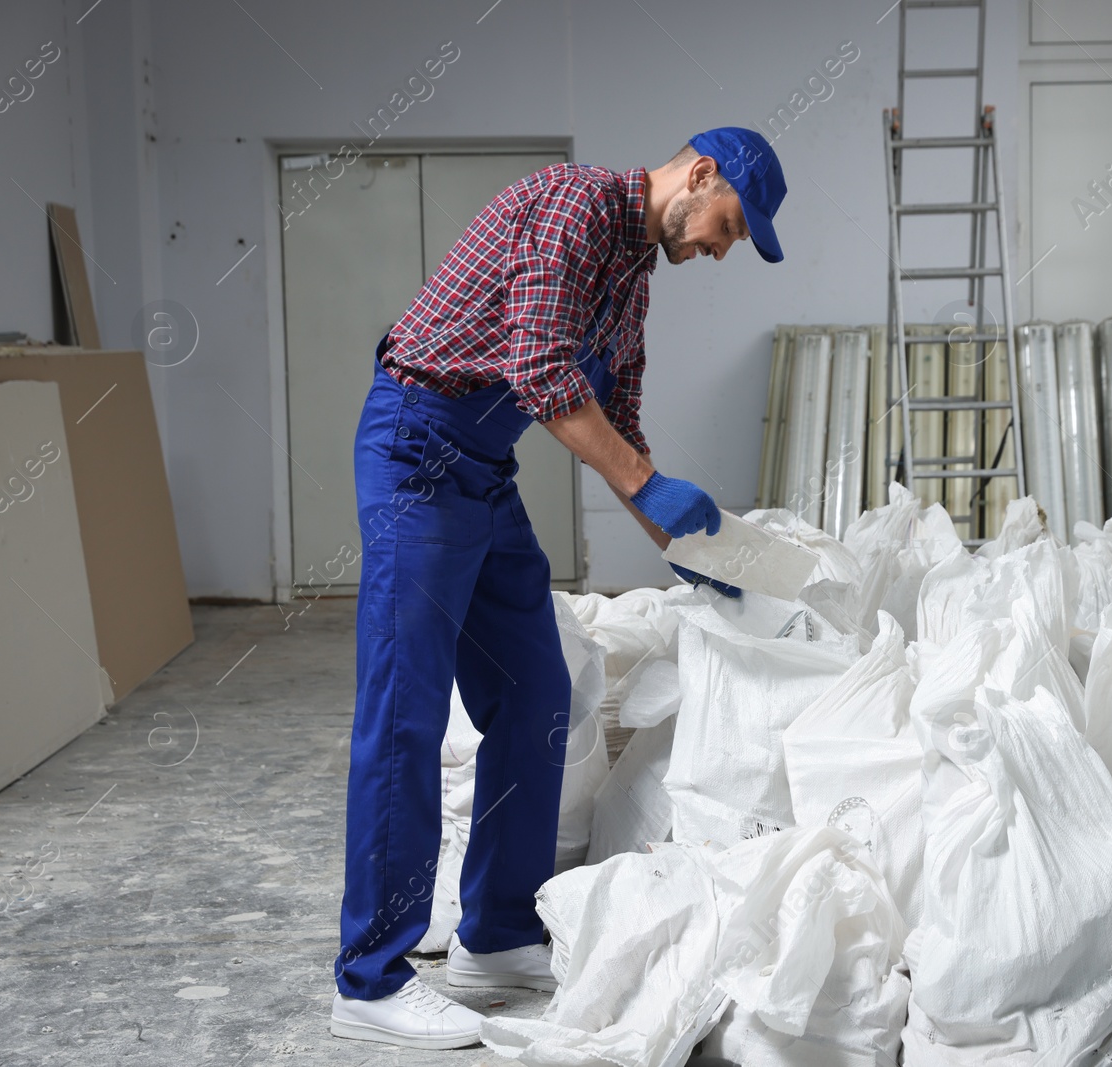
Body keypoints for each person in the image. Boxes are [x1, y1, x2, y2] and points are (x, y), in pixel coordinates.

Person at [328, 127, 787, 1049]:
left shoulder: (632, 278)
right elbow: (540, 370)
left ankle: (497, 936)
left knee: (540, 688)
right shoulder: (572, 205)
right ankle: (369, 978)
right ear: (699, 176)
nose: (719, 249)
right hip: (418, 449)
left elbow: (619, 424)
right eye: (729, 227)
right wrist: (645, 487)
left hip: (482, 471)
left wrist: (693, 552)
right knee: (407, 707)